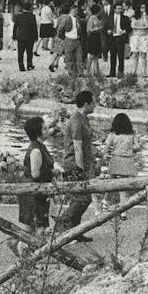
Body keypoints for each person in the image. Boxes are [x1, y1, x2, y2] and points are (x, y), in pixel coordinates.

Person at [55, 90, 96, 238]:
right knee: (82, 198)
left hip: (85, 161)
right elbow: (77, 148)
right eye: (93, 102)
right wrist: (80, 169)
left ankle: (75, 230)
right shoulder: (77, 122)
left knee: (81, 197)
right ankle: (64, 220)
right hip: (75, 163)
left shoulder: (84, 119)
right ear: (86, 104)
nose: (95, 105)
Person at [16, 116, 54, 234]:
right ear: (37, 133)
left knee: (35, 226)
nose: (47, 130)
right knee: (36, 226)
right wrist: (53, 172)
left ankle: (29, 249)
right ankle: (26, 249)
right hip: (34, 193)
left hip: (36, 191)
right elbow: (36, 173)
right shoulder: (36, 150)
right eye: (44, 129)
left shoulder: (39, 146)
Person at [102, 112, 142, 214]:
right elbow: (138, 147)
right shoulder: (132, 135)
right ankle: (123, 210)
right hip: (128, 160)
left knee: (111, 182)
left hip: (115, 159)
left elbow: (106, 148)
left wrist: (103, 157)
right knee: (124, 186)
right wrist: (131, 149)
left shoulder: (112, 134)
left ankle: (105, 202)